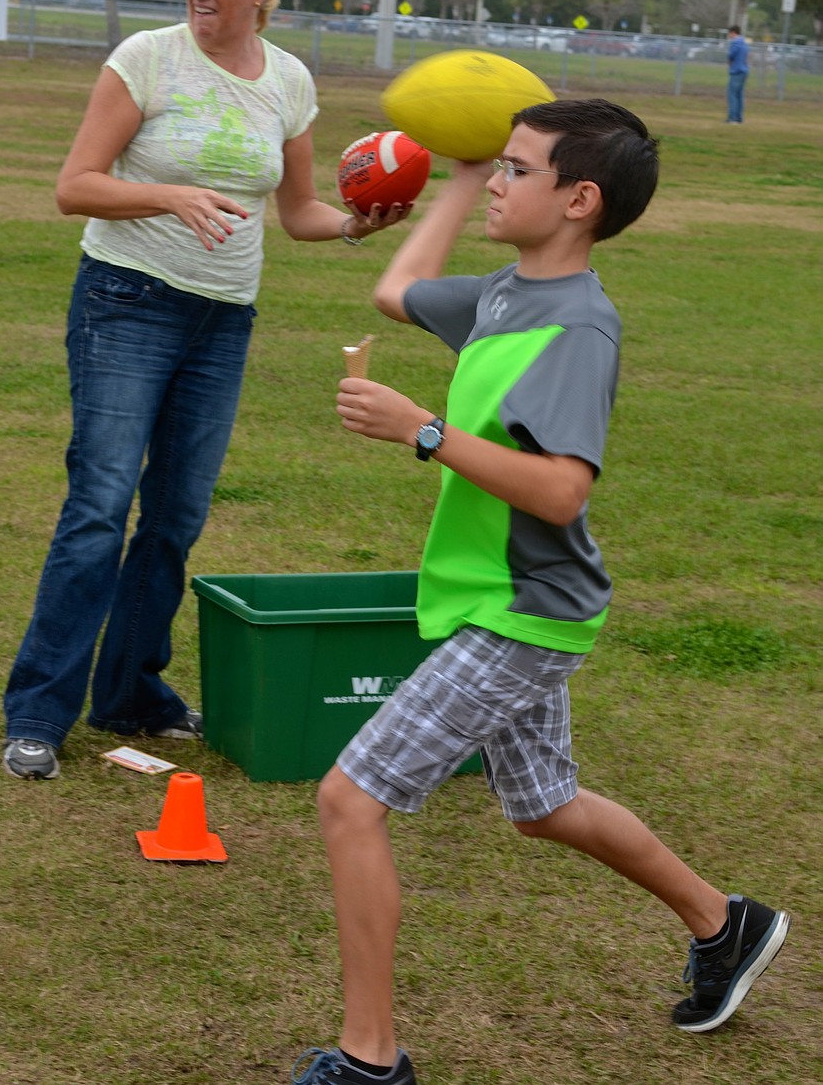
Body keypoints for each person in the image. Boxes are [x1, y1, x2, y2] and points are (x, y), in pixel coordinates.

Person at [290, 99, 790, 1085]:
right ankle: (724, 923)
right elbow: (399, 288)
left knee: (349, 799)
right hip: (507, 600)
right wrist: (464, 173)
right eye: (502, 167)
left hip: (523, 611)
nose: (502, 183)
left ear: (578, 198)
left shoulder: (577, 328)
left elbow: (562, 487)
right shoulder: (504, 294)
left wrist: (421, 430)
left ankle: (369, 1058)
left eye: (518, 170)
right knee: (543, 803)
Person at [2, 0, 404, 782]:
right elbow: (76, 187)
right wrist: (169, 196)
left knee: (177, 515)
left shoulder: (289, 81)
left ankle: (132, 694)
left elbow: (296, 212)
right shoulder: (147, 58)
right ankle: (38, 711)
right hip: (125, 302)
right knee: (101, 506)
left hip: (224, 318)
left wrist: (354, 227)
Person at [726, 24, 749, 123]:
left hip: (736, 71)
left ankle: (732, 117)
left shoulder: (736, 43)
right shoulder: (744, 43)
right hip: (744, 71)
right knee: (739, 95)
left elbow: (731, 55)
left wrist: (729, 60)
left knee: (732, 95)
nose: (730, 36)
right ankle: (739, 117)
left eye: (730, 34)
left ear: (733, 32)